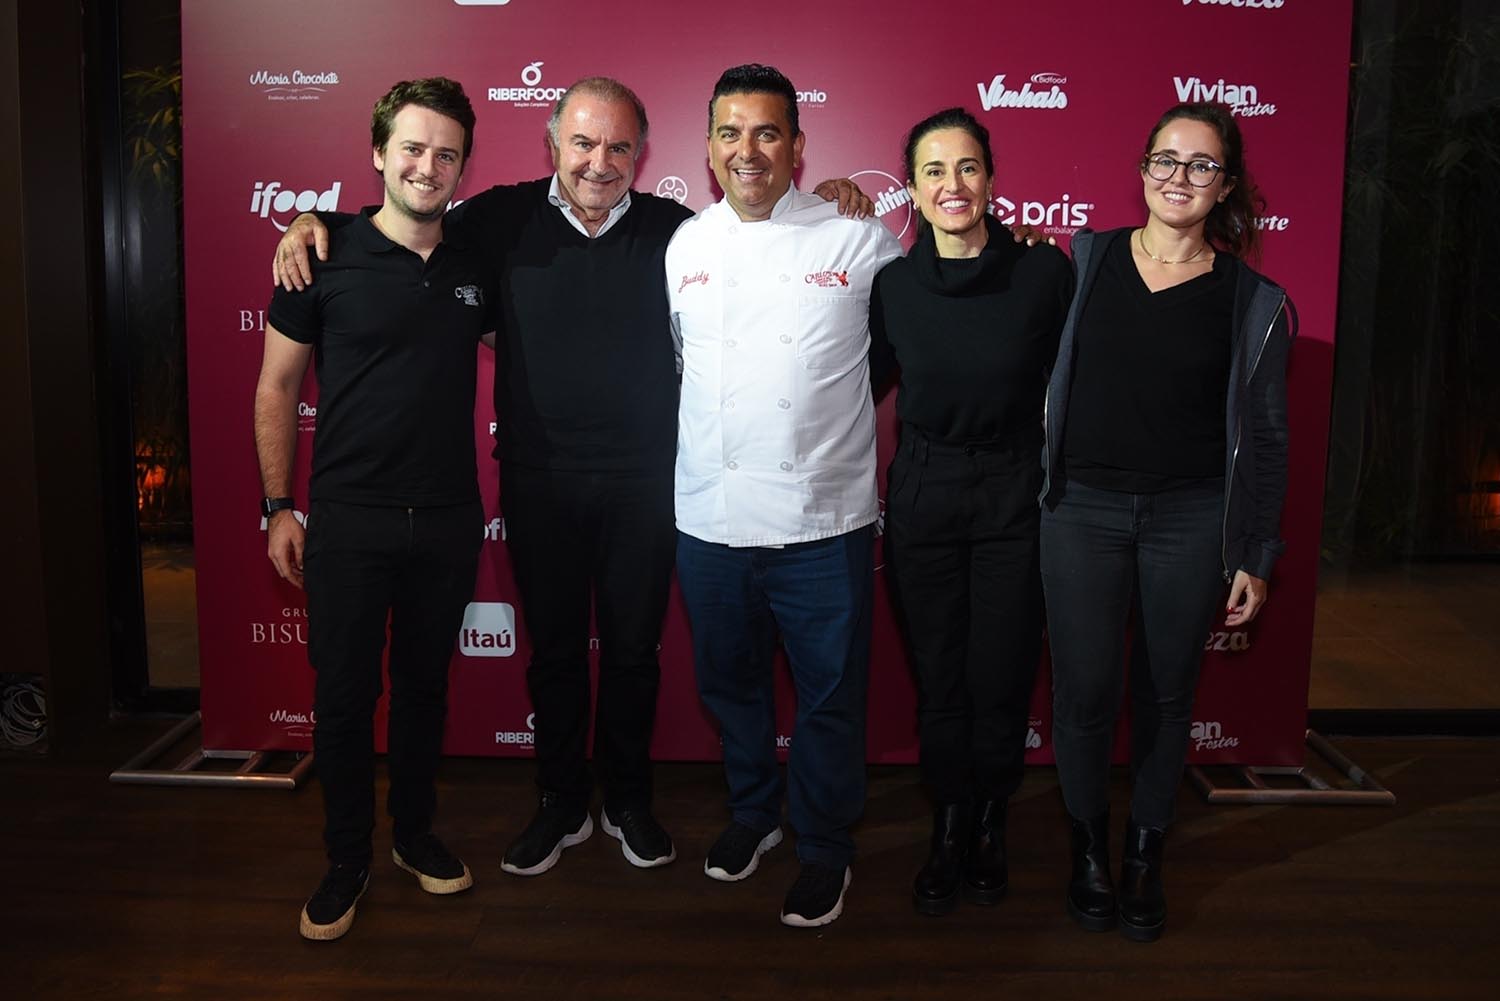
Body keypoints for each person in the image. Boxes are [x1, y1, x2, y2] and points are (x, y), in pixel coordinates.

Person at [273, 78, 872, 880]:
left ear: (644, 155)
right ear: (553, 144)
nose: (600, 162)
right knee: (554, 652)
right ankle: (560, 801)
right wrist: (318, 223)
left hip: (646, 485)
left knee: (632, 652)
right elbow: (404, 223)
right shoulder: (494, 220)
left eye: (619, 146)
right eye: (583, 143)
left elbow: (769, 248)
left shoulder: (680, 232)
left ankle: (627, 800)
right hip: (537, 481)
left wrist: (830, 199)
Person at [1039, 102, 1294, 941]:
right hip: (1081, 510)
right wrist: (840, 198)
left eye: (1201, 165)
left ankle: (1145, 850)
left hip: (1192, 518)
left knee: (1165, 693)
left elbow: (1264, 435)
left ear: (1226, 186)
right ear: (1143, 166)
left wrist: (1257, 549)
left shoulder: (1255, 301)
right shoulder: (1082, 261)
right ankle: (1087, 848)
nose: (1179, 177)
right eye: (1166, 159)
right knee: (1082, 693)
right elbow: (969, 260)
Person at [255, 77, 492, 941]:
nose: (428, 166)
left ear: (463, 165)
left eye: (446, 153)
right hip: (347, 519)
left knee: (425, 691)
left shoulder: (476, 261)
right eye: (413, 149)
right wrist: (278, 504)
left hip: (447, 517)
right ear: (378, 153)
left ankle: (415, 838)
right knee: (346, 700)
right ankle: (346, 857)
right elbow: (278, 386)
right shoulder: (319, 252)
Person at [667, 64, 902, 928]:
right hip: (710, 516)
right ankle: (753, 813)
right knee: (731, 685)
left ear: (799, 146)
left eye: (767, 132)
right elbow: (683, 367)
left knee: (830, 695)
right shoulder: (685, 245)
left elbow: (914, 337)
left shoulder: (855, 236)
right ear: (709, 147)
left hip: (824, 518)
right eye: (730, 133)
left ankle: (826, 844)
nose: (747, 150)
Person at [868, 108, 1071, 916]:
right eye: (933, 171)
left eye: (967, 168)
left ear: (990, 178)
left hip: (1016, 490)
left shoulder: (1044, 273)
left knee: (1002, 670)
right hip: (924, 489)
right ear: (913, 190)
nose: (953, 185)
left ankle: (991, 817)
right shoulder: (892, 285)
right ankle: (948, 819)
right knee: (940, 672)